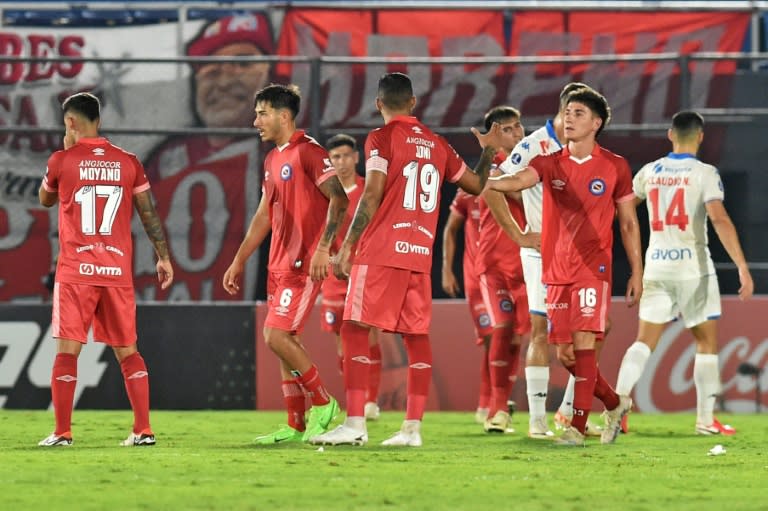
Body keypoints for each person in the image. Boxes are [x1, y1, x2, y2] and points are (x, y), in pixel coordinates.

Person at [310, 72, 496, 446]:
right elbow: (476, 185)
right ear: (413, 103)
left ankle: (356, 423)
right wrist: (489, 149)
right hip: (419, 253)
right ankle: (412, 428)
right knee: (416, 335)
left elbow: (373, 191)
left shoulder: (381, 138)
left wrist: (347, 245)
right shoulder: (438, 143)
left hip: (381, 250)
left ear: (379, 104)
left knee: (354, 328)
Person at [486, 87, 644, 446]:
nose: (569, 119)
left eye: (578, 114)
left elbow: (629, 223)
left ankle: (575, 427)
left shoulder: (615, 166)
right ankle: (616, 403)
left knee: (585, 343)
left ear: (596, 123)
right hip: (555, 268)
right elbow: (514, 182)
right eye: (567, 112)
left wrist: (637, 271)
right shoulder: (548, 162)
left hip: (593, 267)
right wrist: (485, 178)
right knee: (566, 353)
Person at [37, 92, 174, 447]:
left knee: (67, 352)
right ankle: (143, 430)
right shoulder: (128, 162)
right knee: (129, 352)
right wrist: (163, 256)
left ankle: (63, 432)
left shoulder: (61, 160)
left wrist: (64, 153)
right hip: (116, 272)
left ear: (70, 122)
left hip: (75, 272)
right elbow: (148, 213)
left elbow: (45, 198)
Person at [222, 84, 349, 444]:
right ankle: (294, 423)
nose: (254, 121)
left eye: (261, 113)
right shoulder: (272, 158)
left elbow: (338, 200)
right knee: (283, 342)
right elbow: (264, 214)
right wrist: (238, 260)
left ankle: (323, 403)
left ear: (283, 115)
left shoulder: (309, 152)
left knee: (275, 335)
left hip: (302, 264)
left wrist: (324, 249)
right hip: (277, 265)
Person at [614, 111, 754, 435]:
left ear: (669, 134)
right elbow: (718, 218)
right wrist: (742, 267)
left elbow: (624, 209)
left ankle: (619, 406)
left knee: (643, 343)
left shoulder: (649, 172)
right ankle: (705, 420)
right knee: (706, 343)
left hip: (657, 266)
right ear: (701, 136)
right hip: (694, 269)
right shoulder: (705, 173)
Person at [145, 13, 273, 183]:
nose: (224, 83)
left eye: (243, 65)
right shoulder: (167, 161)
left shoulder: (284, 152)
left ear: (270, 74)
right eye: (212, 71)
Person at [474, 106, 531, 434]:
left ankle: (509, 406)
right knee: (502, 327)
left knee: (517, 339)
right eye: (507, 129)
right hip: (494, 265)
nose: (516, 133)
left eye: (518, 126)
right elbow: (491, 189)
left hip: (526, 264)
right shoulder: (490, 168)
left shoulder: (532, 164)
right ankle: (496, 408)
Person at [319, 133, 382, 421]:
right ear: (329, 161)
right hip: (334, 277)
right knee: (341, 338)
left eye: (346, 156)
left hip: (365, 272)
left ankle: (370, 399)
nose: (341, 162)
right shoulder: (325, 194)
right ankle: (353, 395)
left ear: (357, 157)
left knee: (368, 333)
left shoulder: (370, 191)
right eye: (335, 157)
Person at [441, 188, 494, 423]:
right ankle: (488, 402)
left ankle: (495, 401)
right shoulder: (467, 194)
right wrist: (446, 268)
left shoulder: (513, 186)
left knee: (509, 339)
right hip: (476, 276)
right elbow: (451, 229)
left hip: (508, 274)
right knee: (493, 336)